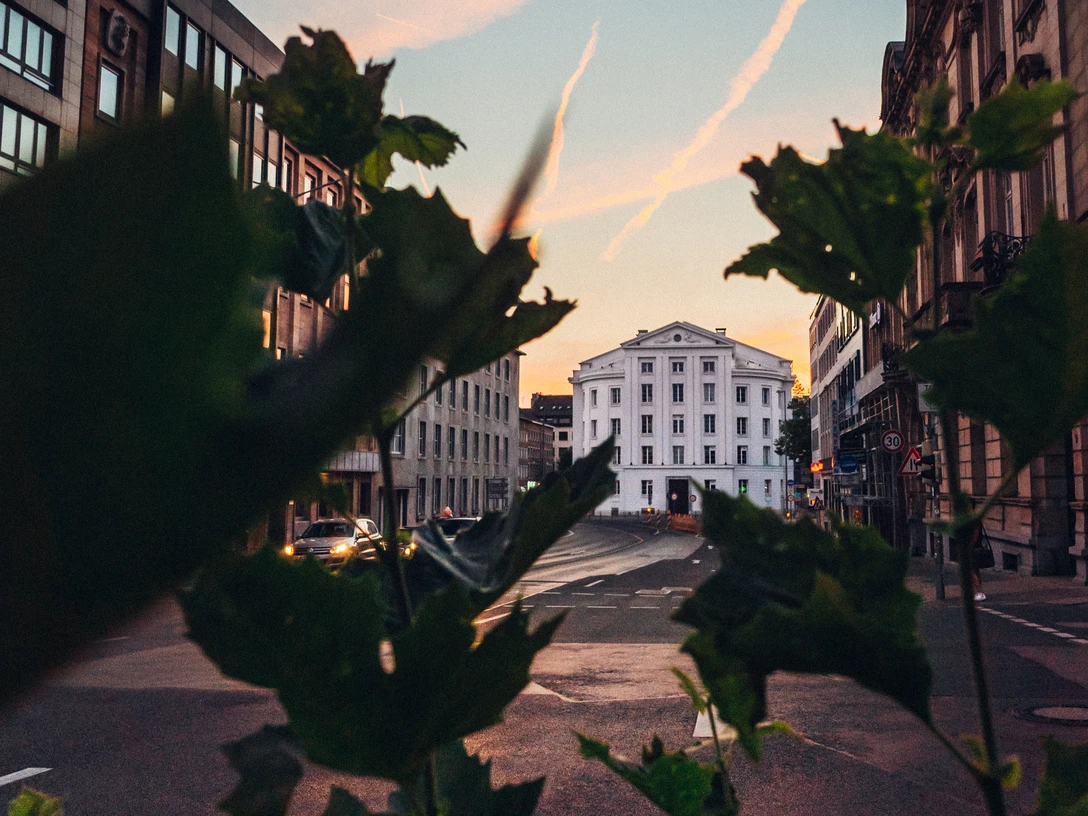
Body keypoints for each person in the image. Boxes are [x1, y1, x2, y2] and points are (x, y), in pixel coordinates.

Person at [967, 519, 985, 602]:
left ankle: (980, 592)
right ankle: (978, 592)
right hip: (976, 548)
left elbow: (974, 537)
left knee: (971, 571)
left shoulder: (975, 523)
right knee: (975, 570)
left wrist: (969, 547)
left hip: (973, 550)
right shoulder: (976, 522)